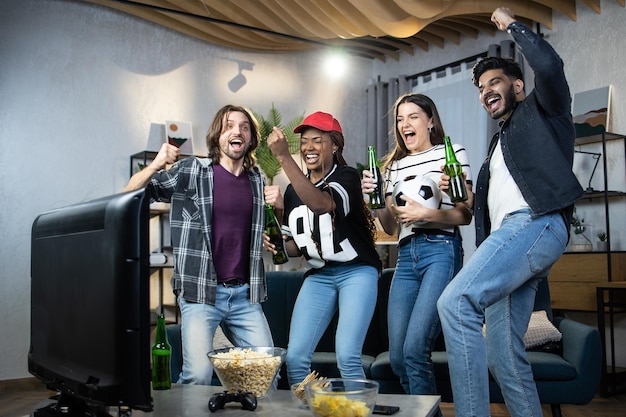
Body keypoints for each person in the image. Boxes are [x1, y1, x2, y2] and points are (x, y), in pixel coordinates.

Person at [437, 7, 584, 417]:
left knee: (455, 302)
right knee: (502, 352)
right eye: (480, 88)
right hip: (514, 237)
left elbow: (550, 66)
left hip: (535, 224)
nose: (485, 91)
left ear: (518, 85)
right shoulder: (496, 149)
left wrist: (512, 26)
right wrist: (465, 195)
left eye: (494, 82)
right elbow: (492, 206)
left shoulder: (545, 112)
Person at [124, 104, 279, 385]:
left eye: (244, 127)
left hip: (245, 295)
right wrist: (157, 164)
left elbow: (266, 235)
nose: (237, 131)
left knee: (268, 370)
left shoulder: (257, 181)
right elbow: (130, 194)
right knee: (197, 376)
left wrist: (277, 209)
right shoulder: (192, 171)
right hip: (200, 293)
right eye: (229, 125)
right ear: (217, 136)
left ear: (251, 139)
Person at [361, 93, 474, 396]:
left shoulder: (451, 153)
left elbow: (465, 214)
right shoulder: (392, 168)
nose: (404, 124)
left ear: (431, 121)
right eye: (400, 119)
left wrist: (428, 213)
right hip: (406, 254)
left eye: (412, 117)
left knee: (414, 351)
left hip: (441, 249)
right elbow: (389, 225)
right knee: (398, 357)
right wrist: (375, 199)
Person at [265, 111, 382, 384]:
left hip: (356, 272)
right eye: (304, 141)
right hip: (319, 276)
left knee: (347, 357)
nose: (308, 147)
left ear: (335, 145)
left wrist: (284, 157)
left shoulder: (347, 177)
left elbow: (321, 204)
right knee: (294, 359)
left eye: (317, 140)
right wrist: (279, 224)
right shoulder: (294, 191)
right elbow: (293, 251)